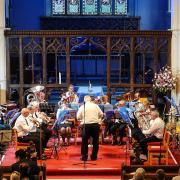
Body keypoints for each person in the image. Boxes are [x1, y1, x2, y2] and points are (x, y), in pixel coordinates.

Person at [77, 95, 103, 161]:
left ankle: (84, 157)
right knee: (95, 142)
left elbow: (78, 117)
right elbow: (101, 114)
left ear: (85, 100)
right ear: (90, 99)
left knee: (84, 142)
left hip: (86, 125)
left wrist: (83, 118)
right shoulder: (96, 106)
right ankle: (94, 157)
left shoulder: (82, 107)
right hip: (95, 125)